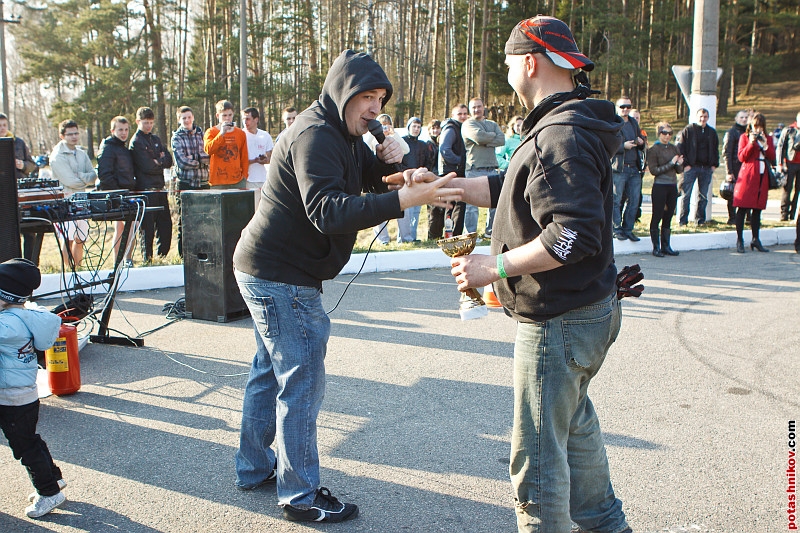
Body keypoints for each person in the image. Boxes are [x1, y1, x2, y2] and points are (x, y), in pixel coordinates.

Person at [394, 16, 633, 533]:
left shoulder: (559, 135)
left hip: (559, 322)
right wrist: (448, 187)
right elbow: (514, 184)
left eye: (507, 61)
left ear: (529, 62)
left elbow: (569, 237)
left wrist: (491, 266)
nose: (504, 70)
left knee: (539, 468)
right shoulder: (567, 123)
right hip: (585, 313)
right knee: (575, 433)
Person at [231, 49, 460, 524]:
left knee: (266, 373)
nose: (375, 108)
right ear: (342, 92)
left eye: (380, 98)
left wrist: (400, 169)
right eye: (367, 97)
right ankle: (300, 494)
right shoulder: (316, 134)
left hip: (265, 267)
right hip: (282, 277)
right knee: (301, 380)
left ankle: (254, 468)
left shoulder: (340, 129)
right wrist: (402, 199)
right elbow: (329, 208)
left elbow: (360, 176)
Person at [0, 258, 67, 519]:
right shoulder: (23, 318)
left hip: (11, 398)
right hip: (23, 395)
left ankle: (49, 493)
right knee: (31, 441)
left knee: (24, 448)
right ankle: (54, 478)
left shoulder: (8, 325)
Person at [49, 120, 97, 269]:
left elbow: (93, 176)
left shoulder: (82, 153)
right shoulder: (57, 156)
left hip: (81, 200)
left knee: (80, 238)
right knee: (67, 239)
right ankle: (70, 270)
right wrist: (85, 180)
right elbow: (69, 181)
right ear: (62, 135)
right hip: (64, 202)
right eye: (70, 134)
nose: (74, 137)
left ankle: (79, 268)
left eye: (76, 133)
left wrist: (81, 176)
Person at [130, 107, 174, 263]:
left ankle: (162, 256)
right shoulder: (136, 142)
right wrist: (157, 161)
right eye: (145, 123)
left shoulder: (155, 139)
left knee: (165, 225)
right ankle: (147, 258)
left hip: (160, 189)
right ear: (138, 122)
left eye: (150, 123)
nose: (148, 126)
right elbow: (147, 166)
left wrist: (159, 161)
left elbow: (169, 160)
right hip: (145, 190)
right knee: (147, 228)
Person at [462, 97, 505, 239]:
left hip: (492, 169)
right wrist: (490, 138)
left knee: (495, 204)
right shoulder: (468, 124)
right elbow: (479, 138)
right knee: (471, 207)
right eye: (473, 107)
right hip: (474, 168)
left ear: (483, 107)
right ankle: (471, 234)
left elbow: (501, 139)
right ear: (470, 109)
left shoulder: (492, 124)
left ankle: (491, 231)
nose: (477, 109)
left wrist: (486, 139)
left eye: (479, 106)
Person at [97, 116, 137, 264]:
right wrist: (116, 192)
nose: (124, 133)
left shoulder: (124, 148)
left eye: (126, 130)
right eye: (120, 130)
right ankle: (117, 261)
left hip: (128, 192)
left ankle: (128, 258)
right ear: (113, 130)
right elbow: (104, 174)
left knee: (132, 227)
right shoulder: (108, 148)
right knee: (120, 228)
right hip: (116, 195)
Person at [171, 106, 210, 257]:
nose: (187, 120)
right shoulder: (177, 137)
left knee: (205, 221)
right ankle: (184, 256)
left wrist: (197, 159)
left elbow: (209, 157)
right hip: (186, 184)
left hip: (203, 183)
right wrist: (200, 160)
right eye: (183, 118)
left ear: (193, 117)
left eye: (189, 117)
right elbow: (182, 162)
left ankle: (202, 253)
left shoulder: (202, 134)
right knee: (185, 222)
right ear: (179, 120)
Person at [733, 112, 775, 253]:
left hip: (762, 177)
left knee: (757, 209)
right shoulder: (744, 137)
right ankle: (740, 240)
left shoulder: (767, 138)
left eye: (760, 127)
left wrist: (765, 145)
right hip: (748, 176)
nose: (758, 130)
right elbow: (741, 156)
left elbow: (773, 157)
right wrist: (751, 143)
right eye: (755, 126)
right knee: (743, 207)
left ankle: (755, 239)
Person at [0, 114, 39, 262]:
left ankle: (29, 264)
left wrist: (22, 165)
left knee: (30, 230)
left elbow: (32, 165)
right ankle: (9, 265)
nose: (2, 128)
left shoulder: (19, 143)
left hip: (21, 193)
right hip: (3, 195)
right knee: (8, 232)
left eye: (4, 125)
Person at [366, 113, 409, 244]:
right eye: (381, 125)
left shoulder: (393, 138)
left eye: (386, 125)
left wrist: (394, 134)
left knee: (401, 205)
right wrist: (373, 133)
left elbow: (406, 149)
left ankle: (405, 237)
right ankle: (382, 239)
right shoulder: (373, 140)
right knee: (378, 207)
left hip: (394, 176)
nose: (384, 128)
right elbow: (366, 147)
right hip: (377, 177)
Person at [676, 108, 719, 226]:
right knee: (686, 195)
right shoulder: (688, 130)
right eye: (701, 116)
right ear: (697, 117)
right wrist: (685, 165)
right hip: (691, 167)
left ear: (708, 118)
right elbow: (680, 148)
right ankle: (683, 220)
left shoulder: (712, 132)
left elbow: (715, 149)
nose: (703, 119)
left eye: (705, 117)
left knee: (703, 196)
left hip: (706, 168)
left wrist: (714, 165)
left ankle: (700, 220)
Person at [610, 96, 645, 241]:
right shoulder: (612, 123)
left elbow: (640, 142)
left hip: (634, 167)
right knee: (616, 200)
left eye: (628, 106)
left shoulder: (633, 123)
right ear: (617, 108)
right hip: (619, 167)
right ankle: (616, 228)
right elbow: (607, 143)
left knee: (634, 200)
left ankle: (628, 229)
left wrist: (641, 142)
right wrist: (622, 146)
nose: (625, 109)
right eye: (622, 106)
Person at [646, 122, 683, 257]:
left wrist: (679, 164)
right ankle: (656, 247)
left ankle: (666, 245)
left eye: (670, 133)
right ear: (659, 134)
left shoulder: (674, 148)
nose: (667, 136)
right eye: (664, 133)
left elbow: (679, 170)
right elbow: (654, 170)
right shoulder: (654, 149)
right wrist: (671, 163)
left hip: (672, 185)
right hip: (660, 186)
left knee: (668, 216)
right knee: (657, 215)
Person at [398, 117, 436, 242]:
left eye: (418, 127)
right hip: (405, 180)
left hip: (419, 180)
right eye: (413, 126)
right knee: (405, 212)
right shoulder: (402, 142)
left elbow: (427, 162)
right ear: (408, 127)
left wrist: (423, 174)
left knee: (416, 212)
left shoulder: (423, 145)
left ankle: (412, 237)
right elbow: (398, 161)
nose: (416, 129)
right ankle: (403, 237)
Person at [204, 100, 249, 189]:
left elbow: (244, 157)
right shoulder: (211, 132)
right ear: (217, 116)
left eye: (230, 115)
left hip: (237, 181)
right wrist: (221, 133)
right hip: (217, 181)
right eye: (224, 115)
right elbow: (208, 150)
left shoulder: (240, 133)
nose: (227, 118)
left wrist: (244, 176)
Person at [439, 104, 469, 236]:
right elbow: (445, 149)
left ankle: (453, 234)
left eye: (464, 113)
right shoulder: (451, 128)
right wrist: (460, 161)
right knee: (454, 204)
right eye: (459, 114)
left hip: (455, 171)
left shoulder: (461, 128)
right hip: (451, 172)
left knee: (456, 204)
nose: (462, 116)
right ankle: (452, 234)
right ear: (453, 116)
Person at [241, 107, 274, 207]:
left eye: (248, 119)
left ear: (256, 119)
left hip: (262, 179)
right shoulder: (241, 135)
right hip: (247, 180)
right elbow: (238, 160)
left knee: (263, 208)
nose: (245, 122)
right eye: (243, 119)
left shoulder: (265, 135)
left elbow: (271, 158)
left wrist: (264, 160)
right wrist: (253, 160)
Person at [722, 110, 749, 225]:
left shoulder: (749, 132)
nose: (744, 119)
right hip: (734, 167)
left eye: (746, 117)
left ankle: (748, 216)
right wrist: (729, 171)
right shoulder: (731, 132)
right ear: (736, 119)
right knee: (732, 194)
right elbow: (727, 153)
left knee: (747, 192)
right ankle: (732, 217)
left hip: (746, 168)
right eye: (741, 117)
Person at [777, 112, 800, 221]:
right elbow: (781, 147)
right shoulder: (789, 130)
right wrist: (780, 163)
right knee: (787, 189)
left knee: (798, 190)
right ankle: (784, 213)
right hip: (790, 163)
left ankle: (794, 213)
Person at [426, 119, 445, 240]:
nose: (435, 130)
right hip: (432, 178)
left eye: (437, 128)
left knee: (442, 208)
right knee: (433, 209)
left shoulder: (443, 143)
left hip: (442, 177)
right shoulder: (428, 145)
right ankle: (432, 235)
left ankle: (440, 233)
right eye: (433, 128)